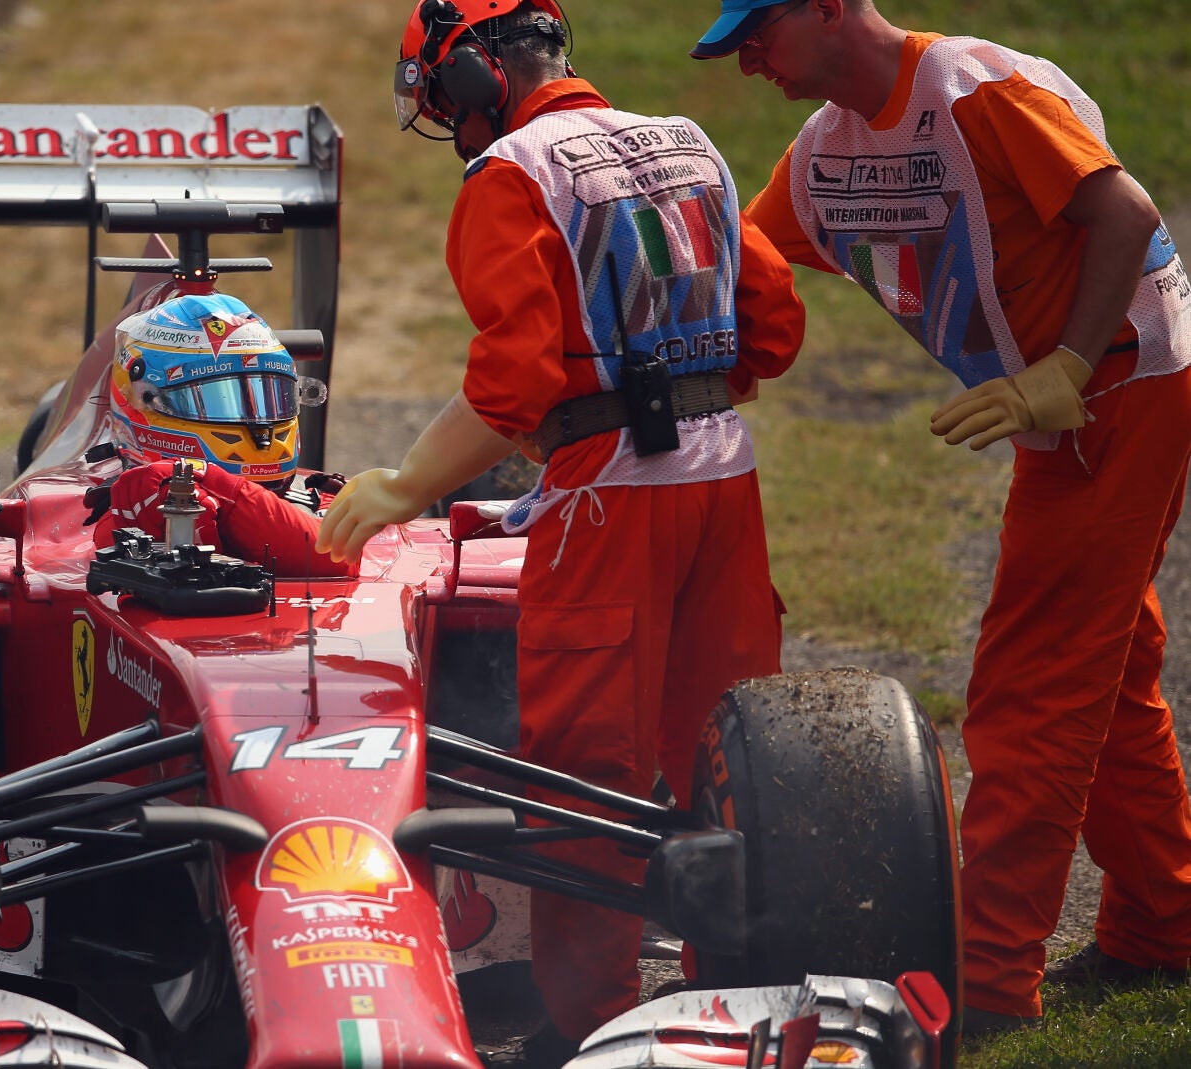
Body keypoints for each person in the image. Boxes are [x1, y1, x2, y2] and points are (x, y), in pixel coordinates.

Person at [690, 0, 1191, 1037]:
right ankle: (1163, 921)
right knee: (1108, 665)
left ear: (829, 8)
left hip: (1124, 382)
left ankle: (991, 985)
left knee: (1032, 684)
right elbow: (744, 264)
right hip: (1063, 406)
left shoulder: (975, 89)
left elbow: (1127, 215)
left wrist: (1063, 366)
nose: (746, 64)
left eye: (757, 36)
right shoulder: (824, 152)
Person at [316, 0, 804, 1054]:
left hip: (605, 493)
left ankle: (599, 1026)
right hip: (727, 478)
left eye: (446, 97)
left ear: (482, 76)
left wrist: (405, 483)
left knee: (583, 772)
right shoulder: (693, 143)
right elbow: (775, 324)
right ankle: (752, 1001)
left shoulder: (508, 179)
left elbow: (512, 382)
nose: (451, 122)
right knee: (738, 753)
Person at [99, 292, 355, 578]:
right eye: (214, 401)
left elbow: (338, 555)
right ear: (142, 404)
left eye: (267, 397)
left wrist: (213, 481)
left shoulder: (328, 499)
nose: (260, 429)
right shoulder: (97, 517)